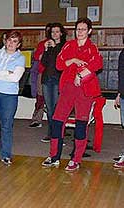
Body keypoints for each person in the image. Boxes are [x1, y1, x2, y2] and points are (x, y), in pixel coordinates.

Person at [41, 18, 103, 172]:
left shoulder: (92, 48)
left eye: (83, 29)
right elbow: (59, 64)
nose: (80, 32)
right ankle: (54, 156)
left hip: (85, 90)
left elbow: (97, 64)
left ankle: (76, 159)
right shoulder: (69, 45)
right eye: (78, 29)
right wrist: (74, 60)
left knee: (81, 125)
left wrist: (80, 75)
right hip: (68, 89)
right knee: (56, 121)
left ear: (89, 31)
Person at [0, 31, 26, 166]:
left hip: (9, 96)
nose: (11, 44)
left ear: (18, 44)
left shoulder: (20, 58)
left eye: (14, 41)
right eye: (9, 40)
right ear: (5, 40)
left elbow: (16, 78)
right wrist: (7, 72)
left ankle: (5, 154)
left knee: (6, 125)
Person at [40, 23, 66, 142]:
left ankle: (58, 133)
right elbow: (44, 63)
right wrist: (46, 49)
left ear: (61, 33)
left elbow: (60, 61)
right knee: (49, 108)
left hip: (57, 79)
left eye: (57, 32)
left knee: (57, 108)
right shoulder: (49, 46)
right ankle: (51, 132)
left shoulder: (64, 46)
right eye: (52, 32)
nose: (54, 34)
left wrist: (55, 47)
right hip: (46, 79)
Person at [28, 24, 52, 129]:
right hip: (42, 73)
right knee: (40, 97)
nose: (50, 33)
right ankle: (37, 119)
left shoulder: (61, 45)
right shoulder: (42, 44)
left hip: (56, 75)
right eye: (48, 31)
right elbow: (37, 56)